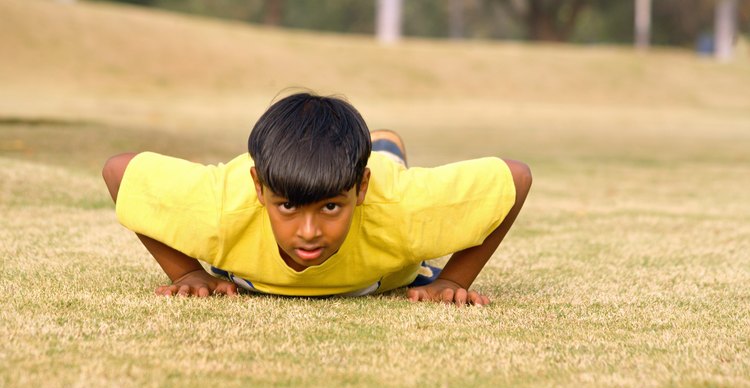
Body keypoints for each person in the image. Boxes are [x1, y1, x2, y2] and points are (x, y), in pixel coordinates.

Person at [102, 92, 531, 306]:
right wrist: (185, 273)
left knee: (389, 168)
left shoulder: (401, 208)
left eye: (330, 207)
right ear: (259, 188)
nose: (308, 233)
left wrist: (453, 280)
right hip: (252, 183)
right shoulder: (219, 207)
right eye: (287, 206)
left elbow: (516, 178)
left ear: (359, 191)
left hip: (383, 185)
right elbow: (120, 171)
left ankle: (384, 148)